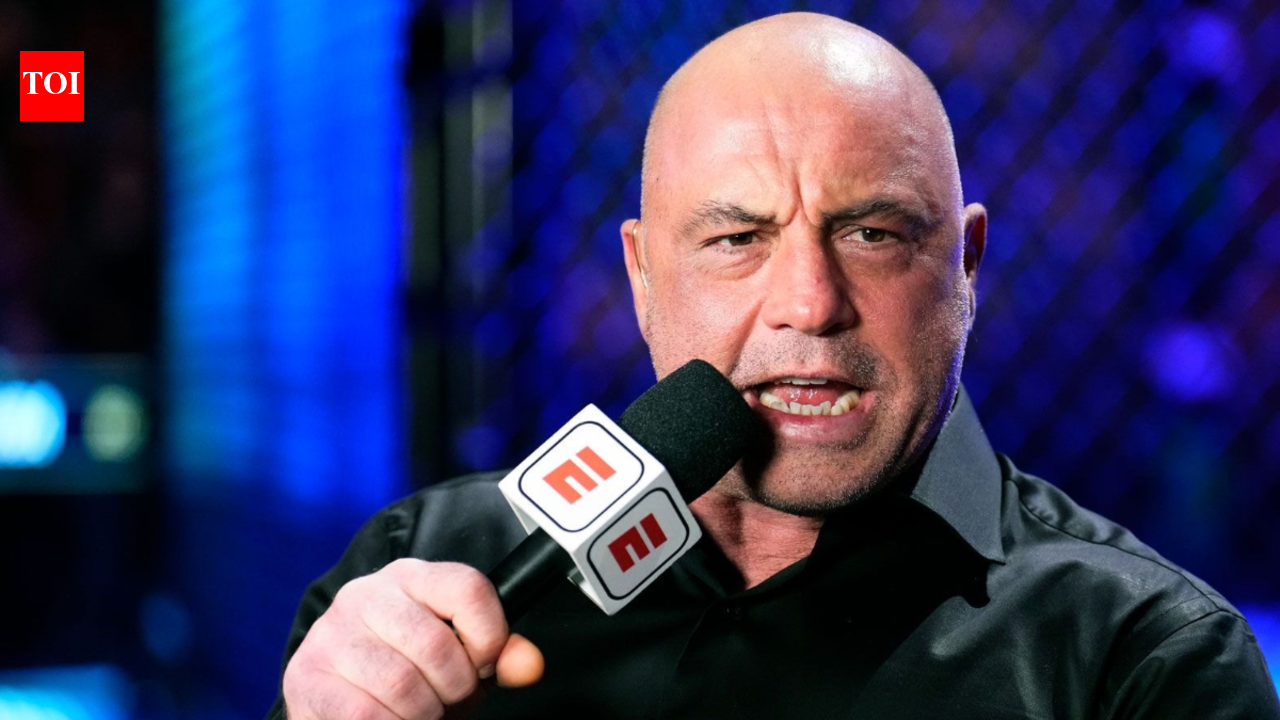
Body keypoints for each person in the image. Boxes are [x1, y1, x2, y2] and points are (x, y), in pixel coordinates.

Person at [269, 12, 1280, 719]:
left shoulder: (1142, 660)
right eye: (736, 239)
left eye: (873, 233)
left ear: (967, 266)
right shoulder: (421, 573)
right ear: (641, 275)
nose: (809, 302)